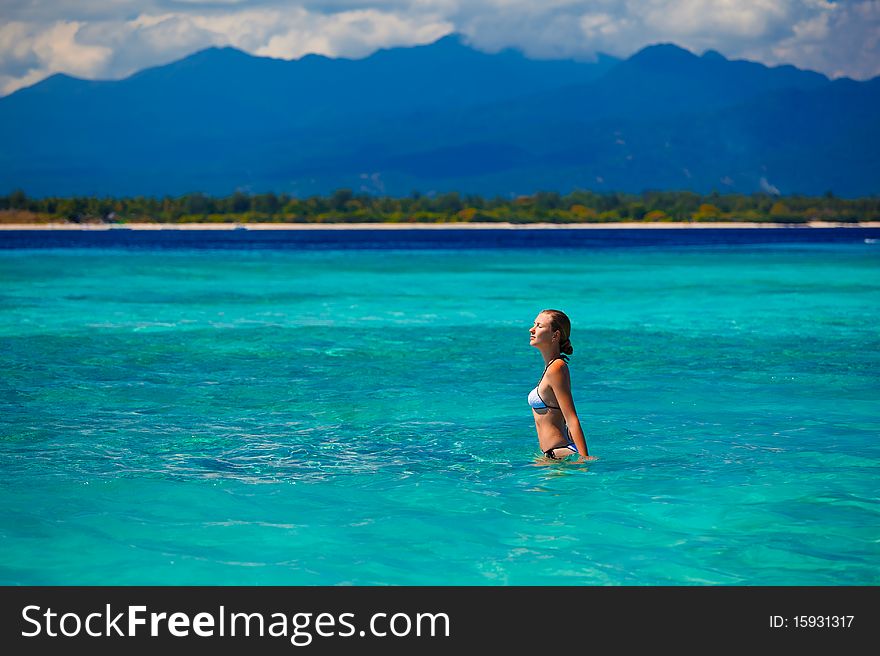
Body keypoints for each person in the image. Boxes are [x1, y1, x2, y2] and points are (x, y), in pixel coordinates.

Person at [528, 309, 596, 461]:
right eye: (534, 324)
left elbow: (571, 418)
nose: (531, 329)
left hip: (560, 455)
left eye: (539, 326)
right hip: (553, 456)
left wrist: (584, 460)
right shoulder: (551, 367)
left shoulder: (557, 368)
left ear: (555, 335)